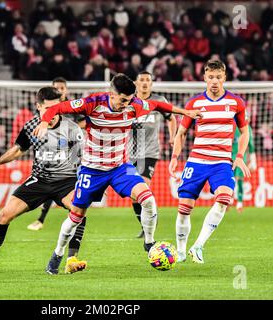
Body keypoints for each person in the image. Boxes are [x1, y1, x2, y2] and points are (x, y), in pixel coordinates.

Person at [33, 74, 202, 274]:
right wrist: (44, 122)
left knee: (147, 199)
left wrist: (185, 112)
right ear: (112, 94)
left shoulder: (135, 105)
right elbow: (56, 108)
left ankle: (149, 242)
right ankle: (57, 255)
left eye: (129, 100)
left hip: (120, 168)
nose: (126, 105)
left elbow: (158, 105)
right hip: (92, 170)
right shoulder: (92, 103)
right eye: (122, 100)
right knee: (76, 215)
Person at [0, 87, 88, 275]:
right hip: (38, 181)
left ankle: (72, 259)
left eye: (56, 108)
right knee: (4, 216)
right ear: (38, 106)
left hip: (66, 181)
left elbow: (81, 159)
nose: (52, 113)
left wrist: (89, 182)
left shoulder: (71, 128)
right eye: (48, 108)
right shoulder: (32, 126)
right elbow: (17, 150)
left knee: (78, 209)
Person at [169, 60, 251, 264]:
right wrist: (174, 158)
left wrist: (239, 156)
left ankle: (198, 246)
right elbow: (181, 133)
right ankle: (180, 252)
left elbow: (244, 132)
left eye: (218, 77)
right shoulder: (194, 103)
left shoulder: (235, 102)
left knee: (224, 199)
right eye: (211, 77)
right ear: (205, 77)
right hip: (196, 161)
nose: (214, 81)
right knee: (184, 208)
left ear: (224, 78)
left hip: (222, 162)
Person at [26, 77, 86, 232]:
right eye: (56, 88)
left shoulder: (73, 106)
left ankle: (51, 219)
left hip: (71, 145)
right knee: (53, 181)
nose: (59, 90)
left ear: (66, 90)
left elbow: (85, 121)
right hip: (51, 147)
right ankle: (43, 219)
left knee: (63, 182)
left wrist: (70, 129)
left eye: (62, 88)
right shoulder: (46, 108)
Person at [131, 71, 177, 238]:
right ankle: (145, 225)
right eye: (141, 80)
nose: (144, 83)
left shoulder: (158, 101)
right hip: (129, 155)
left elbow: (171, 118)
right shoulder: (129, 101)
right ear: (136, 83)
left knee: (143, 186)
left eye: (147, 80)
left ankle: (149, 222)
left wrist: (173, 136)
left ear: (151, 84)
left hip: (149, 152)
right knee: (134, 194)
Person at [232, 124, 256, 213]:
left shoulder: (247, 128)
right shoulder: (231, 125)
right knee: (228, 178)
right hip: (229, 156)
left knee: (239, 179)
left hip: (241, 157)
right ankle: (227, 201)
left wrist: (253, 161)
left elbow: (251, 145)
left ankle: (239, 202)